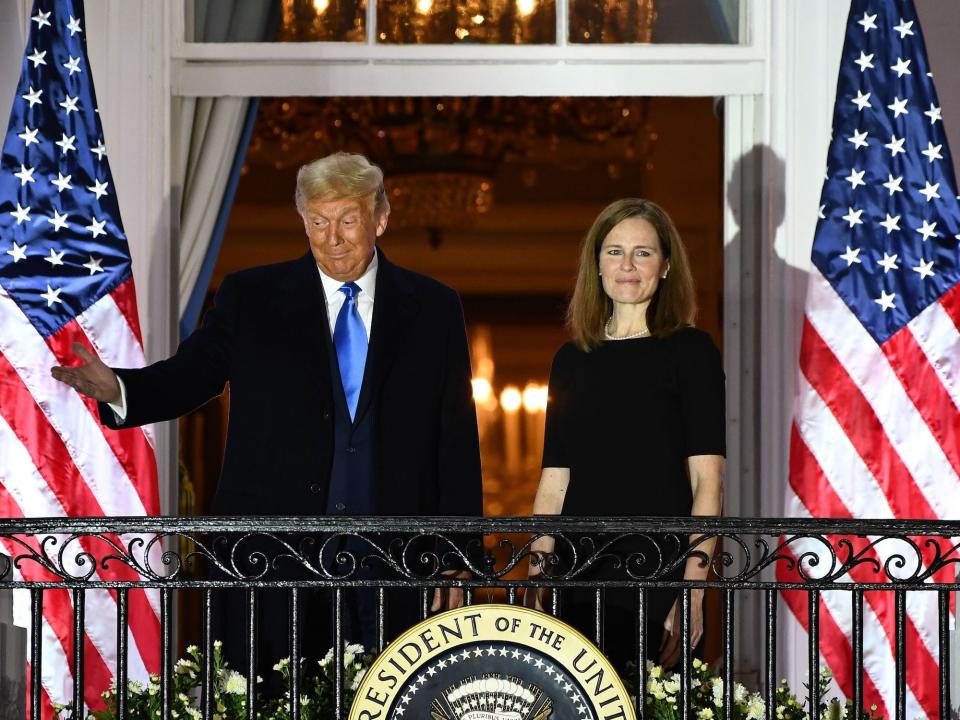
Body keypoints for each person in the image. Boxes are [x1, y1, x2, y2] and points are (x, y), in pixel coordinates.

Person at [51, 152, 483, 675]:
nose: (333, 238)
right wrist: (121, 386)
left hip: (393, 565)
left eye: (348, 220)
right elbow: (193, 374)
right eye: (318, 222)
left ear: (380, 219)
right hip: (273, 559)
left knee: (390, 701)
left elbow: (454, 437)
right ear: (303, 221)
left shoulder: (434, 307)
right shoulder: (250, 297)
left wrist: (458, 557)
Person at [524, 198, 724, 671]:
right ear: (596, 265)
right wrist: (536, 579)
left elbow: (707, 483)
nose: (627, 266)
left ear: (666, 265)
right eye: (614, 252)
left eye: (643, 253)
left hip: (656, 571)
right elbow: (554, 483)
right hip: (577, 572)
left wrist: (692, 592)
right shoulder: (570, 359)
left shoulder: (690, 351)